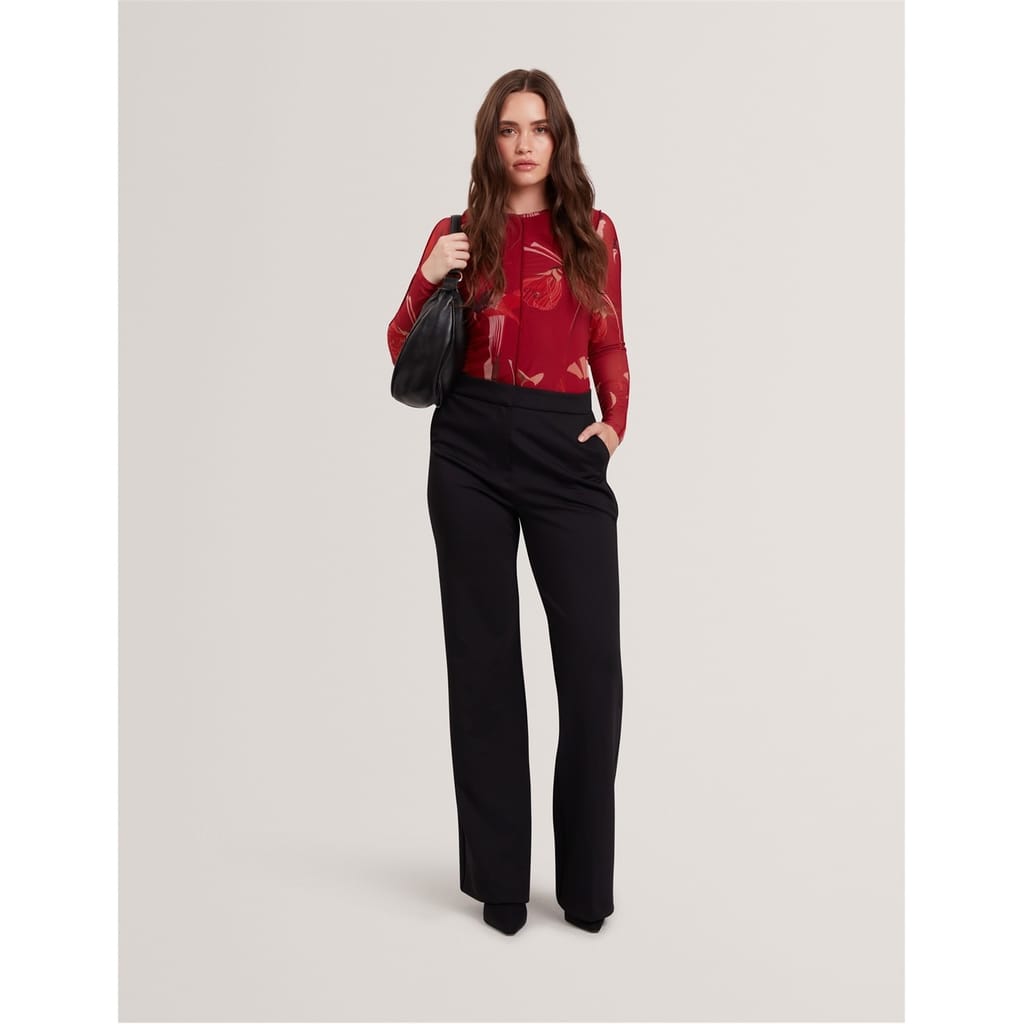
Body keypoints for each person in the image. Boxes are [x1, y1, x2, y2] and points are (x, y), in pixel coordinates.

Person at [387, 69, 629, 937]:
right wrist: (427, 275)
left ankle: (586, 885)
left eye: (539, 128)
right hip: (469, 448)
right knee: (484, 664)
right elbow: (401, 348)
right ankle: (499, 882)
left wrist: (613, 429)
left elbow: (610, 342)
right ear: (490, 141)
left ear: (559, 140)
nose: (524, 143)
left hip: (564, 449)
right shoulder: (456, 234)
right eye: (508, 129)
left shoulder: (593, 233)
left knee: (592, 671)